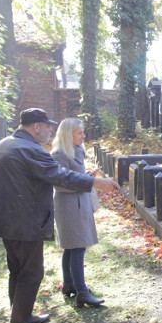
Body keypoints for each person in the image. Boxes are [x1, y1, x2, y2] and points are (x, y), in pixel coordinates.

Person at [0, 108, 119, 323]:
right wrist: (95, 182)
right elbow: (60, 176)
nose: (50, 130)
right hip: (23, 221)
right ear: (36, 126)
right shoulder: (30, 149)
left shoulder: (6, 143)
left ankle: (21, 316)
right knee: (31, 272)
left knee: (17, 270)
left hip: (5, 219)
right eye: (47, 126)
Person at [50, 118, 103, 307]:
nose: (84, 135)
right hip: (69, 205)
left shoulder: (76, 150)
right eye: (79, 132)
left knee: (71, 247)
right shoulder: (59, 154)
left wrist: (86, 178)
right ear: (68, 133)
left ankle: (69, 285)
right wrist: (84, 182)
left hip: (79, 203)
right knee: (77, 247)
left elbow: (74, 177)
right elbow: (59, 183)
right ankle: (82, 292)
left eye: (83, 132)